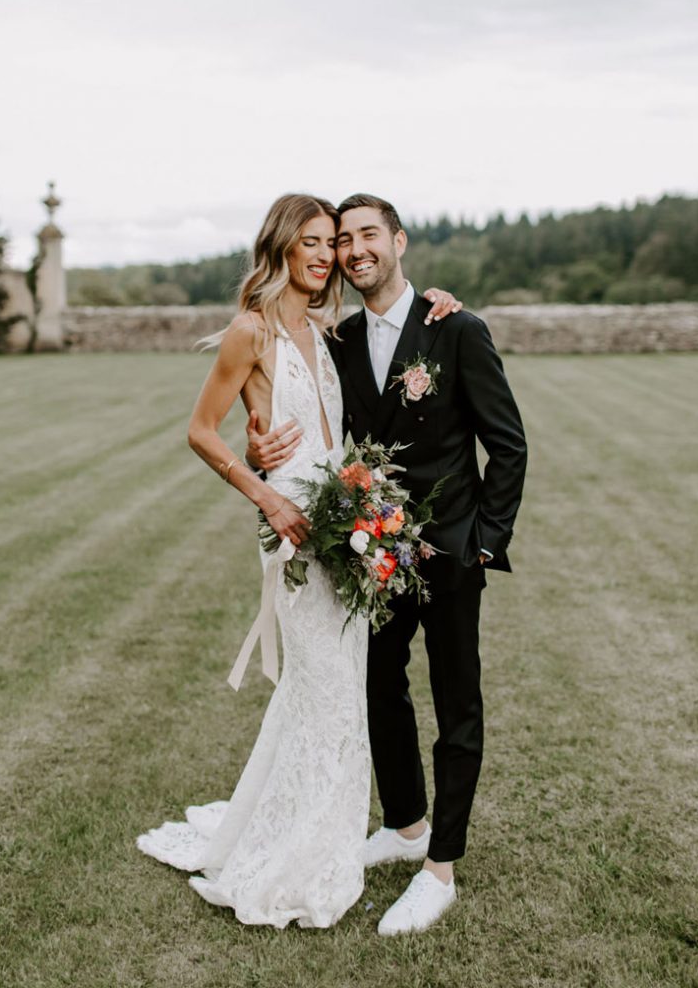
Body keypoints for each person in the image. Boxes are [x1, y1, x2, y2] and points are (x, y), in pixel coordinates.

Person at [136, 193, 460, 929]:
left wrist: (436, 300)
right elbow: (199, 431)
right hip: (293, 529)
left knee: (337, 691)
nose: (325, 255)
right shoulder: (248, 332)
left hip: (347, 526)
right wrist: (263, 492)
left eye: (332, 243)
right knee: (327, 691)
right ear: (282, 247)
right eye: (311, 242)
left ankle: (317, 839)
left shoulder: (326, 331)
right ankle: (304, 858)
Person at [247, 193, 527, 935]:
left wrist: (484, 541)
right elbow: (305, 425)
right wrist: (257, 452)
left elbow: (508, 444)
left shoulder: (455, 328)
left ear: (397, 242)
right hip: (370, 553)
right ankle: (404, 824)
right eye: (342, 240)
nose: (353, 248)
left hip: (452, 551)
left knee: (455, 697)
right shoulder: (335, 340)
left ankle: (440, 867)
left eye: (368, 234)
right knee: (377, 683)